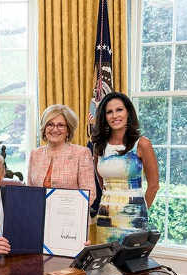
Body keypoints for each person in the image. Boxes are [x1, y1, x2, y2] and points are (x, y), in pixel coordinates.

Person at [92, 92, 159, 244]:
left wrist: (141, 212)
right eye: (109, 112)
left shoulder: (142, 144)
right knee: (106, 266)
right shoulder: (99, 146)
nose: (114, 115)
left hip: (134, 220)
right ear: (104, 116)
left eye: (119, 110)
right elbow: (103, 184)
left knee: (131, 265)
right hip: (105, 219)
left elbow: (154, 186)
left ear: (128, 112)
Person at [27, 104, 96, 206]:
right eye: (50, 124)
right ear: (44, 128)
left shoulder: (82, 153)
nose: (55, 129)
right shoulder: (35, 154)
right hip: (39, 217)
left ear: (68, 130)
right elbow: (30, 192)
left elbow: (90, 195)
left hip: (71, 218)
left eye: (60, 125)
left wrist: (63, 212)